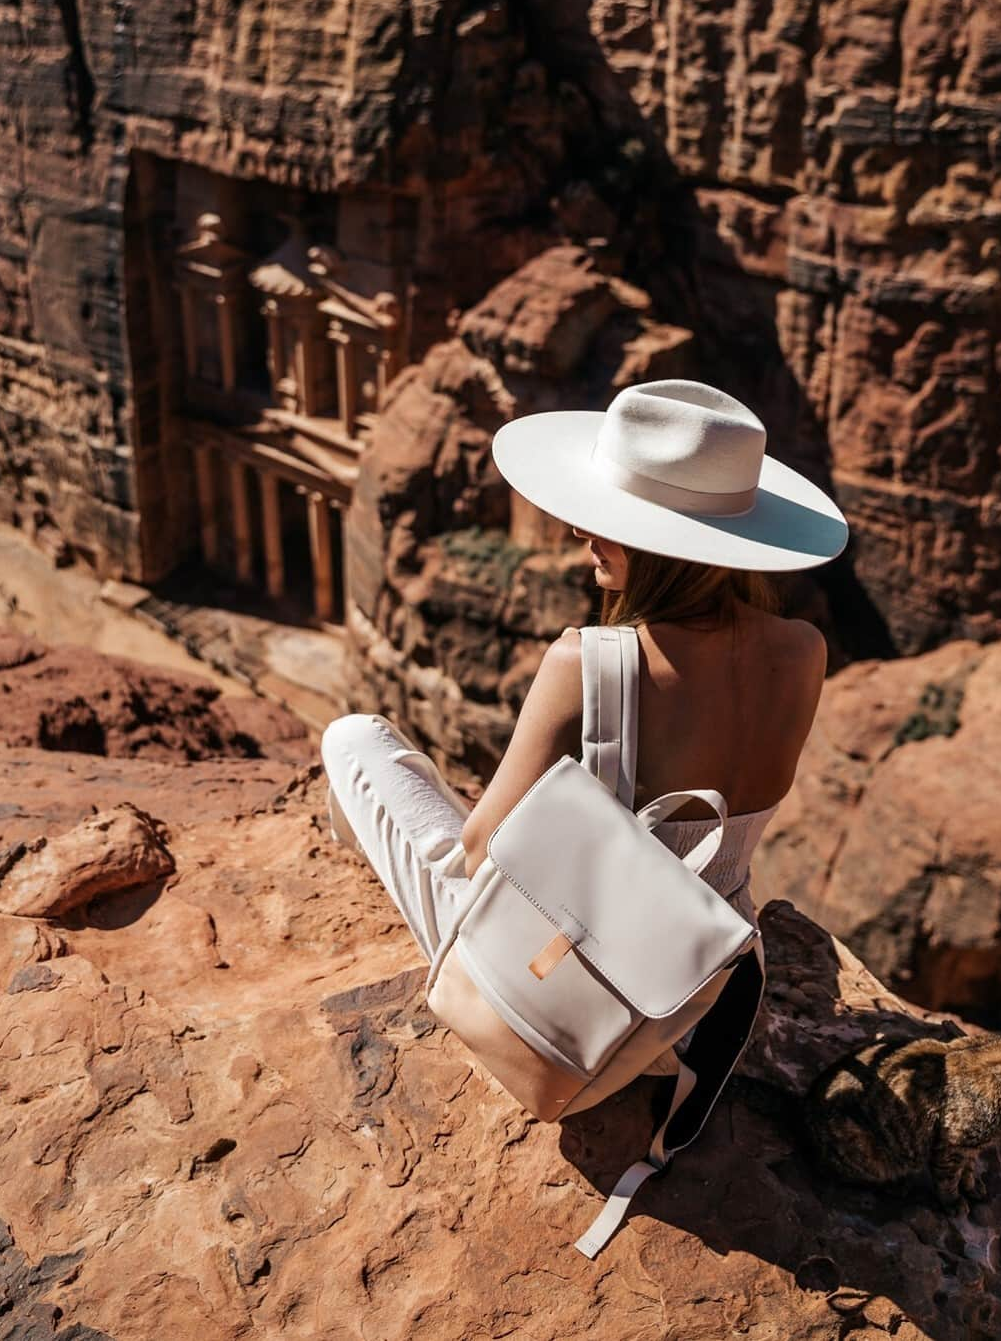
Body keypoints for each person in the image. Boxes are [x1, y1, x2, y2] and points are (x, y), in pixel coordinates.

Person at [321, 378, 848, 1071]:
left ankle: (338, 874)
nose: (578, 531)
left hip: (577, 1001)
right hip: (705, 995)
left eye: (605, 517)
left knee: (355, 740)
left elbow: (481, 853)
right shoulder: (804, 650)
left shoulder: (592, 661)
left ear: (658, 542)